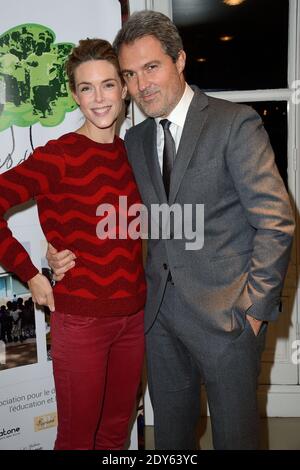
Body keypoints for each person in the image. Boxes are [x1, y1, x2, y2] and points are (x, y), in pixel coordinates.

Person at [47, 11, 295, 450]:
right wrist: (58, 250)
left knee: (236, 439)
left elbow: (276, 221)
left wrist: (255, 309)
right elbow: (111, 214)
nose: (142, 85)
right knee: (171, 442)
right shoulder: (136, 142)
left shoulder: (233, 123)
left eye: (151, 67)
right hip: (158, 320)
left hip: (229, 319)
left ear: (180, 60)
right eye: (130, 74)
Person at [0, 38, 146, 450]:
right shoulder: (58, 156)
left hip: (133, 317)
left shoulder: (132, 153)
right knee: (78, 439)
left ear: (124, 88)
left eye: (108, 85)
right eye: (86, 87)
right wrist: (30, 274)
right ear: (74, 94)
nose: (99, 98)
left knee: (117, 432)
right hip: (82, 323)